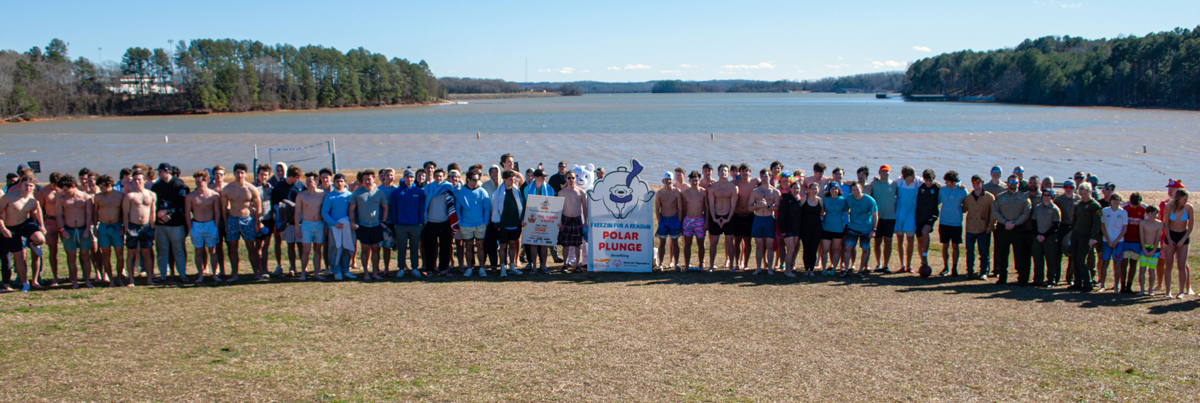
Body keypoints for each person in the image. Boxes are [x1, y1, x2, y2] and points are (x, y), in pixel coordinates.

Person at [0, 174, 47, 292]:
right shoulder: (9, 197)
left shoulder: (32, 200)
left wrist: (42, 226)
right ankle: (25, 283)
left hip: (25, 225)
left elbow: (37, 212)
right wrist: (3, 228)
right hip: (11, 228)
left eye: (31, 186)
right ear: (20, 185)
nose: (28, 188)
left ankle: (33, 244)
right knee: (19, 256)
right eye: (26, 185)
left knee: (40, 239)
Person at [220, 163, 262, 282]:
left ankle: (256, 272)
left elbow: (258, 207)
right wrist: (226, 223)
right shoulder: (228, 189)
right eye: (237, 172)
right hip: (232, 219)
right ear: (234, 173)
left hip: (247, 219)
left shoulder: (251, 189)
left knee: (251, 247)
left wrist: (256, 222)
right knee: (232, 248)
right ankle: (234, 274)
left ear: (245, 174)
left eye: (242, 173)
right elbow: (223, 208)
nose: (240, 175)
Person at [151, 163, 189, 282]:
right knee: (162, 249)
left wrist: (168, 213)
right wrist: (159, 215)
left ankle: (182, 274)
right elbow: (154, 203)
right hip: (161, 224)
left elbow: (181, 203)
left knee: (178, 249)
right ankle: (163, 274)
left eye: (161, 171)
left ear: (168, 171)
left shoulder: (179, 184)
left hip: (176, 223)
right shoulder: (156, 186)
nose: (159, 174)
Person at [55, 175, 93, 288]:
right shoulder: (62, 199)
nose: (64, 192)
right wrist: (62, 230)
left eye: (66, 189)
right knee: (71, 256)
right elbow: (59, 215)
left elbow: (89, 214)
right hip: (69, 229)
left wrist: (87, 229)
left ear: (72, 186)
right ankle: (74, 281)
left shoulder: (86, 197)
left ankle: (87, 280)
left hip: (83, 229)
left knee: (85, 255)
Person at [991, 174, 1031, 285]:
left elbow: (1026, 212)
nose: (1013, 184)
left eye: (1015, 182)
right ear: (1007, 183)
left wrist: (1015, 223)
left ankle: (1021, 278)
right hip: (1003, 228)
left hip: (1017, 229)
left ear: (1018, 184)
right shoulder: (1000, 197)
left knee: (1019, 254)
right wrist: (1005, 222)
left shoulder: (1023, 197)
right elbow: (994, 211)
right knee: (1002, 253)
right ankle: (1002, 277)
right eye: (1011, 182)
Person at [349, 169, 389, 280]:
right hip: (362, 226)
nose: (367, 181)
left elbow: (385, 207)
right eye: (365, 179)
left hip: (376, 225)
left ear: (374, 179)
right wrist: (353, 222)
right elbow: (351, 209)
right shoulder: (357, 193)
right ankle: (366, 272)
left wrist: (383, 221)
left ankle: (375, 271)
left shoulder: (379, 193)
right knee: (365, 249)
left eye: (369, 179)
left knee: (375, 249)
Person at [185, 170, 222, 283]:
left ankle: (215, 274)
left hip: (210, 224)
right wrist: (190, 227)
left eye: (200, 181)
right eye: (196, 181)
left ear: (206, 181)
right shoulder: (191, 196)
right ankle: (200, 274)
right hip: (197, 224)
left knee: (212, 250)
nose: (198, 184)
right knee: (198, 251)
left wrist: (215, 226)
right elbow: (187, 212)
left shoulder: (213, 195)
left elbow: (217, 211)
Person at [387, 169, 425, 277]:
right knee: (402, 248)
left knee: (414, 247)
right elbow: (393, 209)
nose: (410, 179)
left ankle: (414, 268)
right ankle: (401, 268)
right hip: (401, 225)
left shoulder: (419, 191)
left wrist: (420, 222)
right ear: (404, 178)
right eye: (408, 177)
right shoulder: (397, 192)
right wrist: (395, 223)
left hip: (415, 225)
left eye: (412, 177)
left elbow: (421, 208)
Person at [122, 169, 157, 286]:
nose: (137, 182)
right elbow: (125, 213)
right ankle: (131, 279)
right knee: (131, 253)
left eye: (139, 180)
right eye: (135, 180)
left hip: (146, 226)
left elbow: (153, 212)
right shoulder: (129, 196)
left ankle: (149, 277)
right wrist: (126, 227)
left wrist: (153, 226)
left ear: (144, 180)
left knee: (146, 252)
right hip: (133, 226)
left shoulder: (151, 194)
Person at [1068, 183, 1103, 292]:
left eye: (1085, 193)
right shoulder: (1079, 205)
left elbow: (1097, 223)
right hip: (1076, 235)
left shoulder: (1095, 206)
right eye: (1081, 194)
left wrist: (1093, 237)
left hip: (1086, 237)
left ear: (1090, 192)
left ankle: (1087, 283)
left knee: (1081, 260)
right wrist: (1071, 233)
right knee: (1075, 259)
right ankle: (1077, 283)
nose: (1083, 196)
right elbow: (1075, 219)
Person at [271, 165, 305, 277]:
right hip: (287, 221)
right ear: (290, 176)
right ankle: (292, 267)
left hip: (299, 220)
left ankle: (303, 268)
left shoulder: (300, 186)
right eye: (296, 177)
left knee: (301, 245)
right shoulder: (279, 187)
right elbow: (274, 204)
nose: (298, 180)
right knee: (290, 245)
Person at [454, 169, 489, 276]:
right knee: (468, 246)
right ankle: (469, 268)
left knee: (480, 246)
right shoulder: (461, 192)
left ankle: (481, 268)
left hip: (480, 224)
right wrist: (460, 223)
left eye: (477, 179)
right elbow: (458, 209)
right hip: (466, 225)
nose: (476, 182)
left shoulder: (482, 191)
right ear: (468, 180)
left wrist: (485, 222)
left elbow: (486, 208)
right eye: (474, 180)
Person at [321, 174, 355, 280]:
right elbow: (324, 213)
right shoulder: (330, 197)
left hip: (347, 228)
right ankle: (336, 271)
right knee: (334, 249)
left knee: (346, 248)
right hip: (334, 228)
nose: (339, 183)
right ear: (334, 182)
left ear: (345, 182)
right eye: (337, 181)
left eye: (341, 181)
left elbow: (353, 211)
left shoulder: (350, 196)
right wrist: (334, 223)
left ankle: (345, 270)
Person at [422, 169, 456, 276]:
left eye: (440, 176)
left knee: (445, 246)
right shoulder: (428, 188)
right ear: (433, 176)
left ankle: (443, 269)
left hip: (444, 221)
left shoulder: (448, 188)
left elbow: (452, 204)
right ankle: (430, 269)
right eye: (436, 176)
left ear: (444, 177)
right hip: (431, 222)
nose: (438, 178)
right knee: (430, 247)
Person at [294, 172, 327, 280]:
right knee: (306, 250)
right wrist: (297, 228)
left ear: (316, 182)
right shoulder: (301, 195)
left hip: (319, 224)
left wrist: (326, 226)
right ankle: (303, 272)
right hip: (306, 224)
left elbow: (326, 211)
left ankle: (317, 272)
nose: (308, 183)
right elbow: (297, 212)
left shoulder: (323, 194)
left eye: (310, 181)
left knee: (318, 249)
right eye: (307, 181)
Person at [1161, 189, 1194, 298]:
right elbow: (1166, 224)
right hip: (1171, 235)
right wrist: (1169, 239)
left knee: (1182, 265)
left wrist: (1183, 240)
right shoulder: (1168, 207)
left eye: (1187, 199)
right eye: (1184, 199)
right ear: (1178, 198)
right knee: (1169, 264)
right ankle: (1168, 291)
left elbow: (1190, 226)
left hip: (1183, 236)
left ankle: (1181, 291)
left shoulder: (1189, 208)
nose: (1186, 201)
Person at [491, 169, 524, 276]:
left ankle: (512, 266)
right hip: (503, 224)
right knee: (503, 246)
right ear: (504, 179)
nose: (512, 181)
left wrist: (521, 219)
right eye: (510, 179)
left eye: (514, 179)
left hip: (515, 223)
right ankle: (502, 267)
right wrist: (497, 224)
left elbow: (521, 206)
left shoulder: (516, 191)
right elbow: (495, 209)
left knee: (513, 245)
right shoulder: (498, 193)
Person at [93, 175, 124, 287]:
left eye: (102, 187)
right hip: (104, 226)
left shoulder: (120, 196)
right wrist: (96, 226)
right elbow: (95, 212)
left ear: (109, 185)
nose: (101, 190)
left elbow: (124, 212)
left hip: (117, 226)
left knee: (119, 255)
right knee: (106, 254)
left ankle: (119, 278)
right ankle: (110, 279)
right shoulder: (98, 197)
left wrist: (123, 226)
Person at [865, 164, 897, 273]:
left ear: (889, 173)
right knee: (877, 241)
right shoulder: (874, 184)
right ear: (879, 173)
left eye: (886, 171)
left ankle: (885, 265)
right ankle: (878, 264)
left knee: (888, 241)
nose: (884, 173)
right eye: (882, 171)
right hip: (878, 218)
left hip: (890, 218)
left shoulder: (894, 185)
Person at [522, 169, 554, 272]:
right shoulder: (527, 189)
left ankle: (544, 266)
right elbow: (523, 205)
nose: (544, 179)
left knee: (544, 243)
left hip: (545, 219)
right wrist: (523, 219)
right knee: (533, 242)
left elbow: (553, 205)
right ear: (535, 177)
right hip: (532, 219)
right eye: (541, 177)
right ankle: (534, 266)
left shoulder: (549, 189)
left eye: (544, 177)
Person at [843, 181, 878, 278]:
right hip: (853, 227)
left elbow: (875, 215)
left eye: (857, 189)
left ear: (861, 189)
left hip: (866, 229)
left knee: (865, 249)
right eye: (853, 190)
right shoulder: (849, 198)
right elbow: (845, 208)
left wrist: (874, 230)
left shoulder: (869, 200)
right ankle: (845, 270)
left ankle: (861, 270)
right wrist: (851, 213)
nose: (855, 191)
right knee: (847, 248)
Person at [749, 169, 780, 275]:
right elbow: (749, 207)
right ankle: (758, 267)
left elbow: (778, 208)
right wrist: (757, 206)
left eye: (766, 176)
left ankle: (770, 268)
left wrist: (768, 206)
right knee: (758, 245)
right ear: (760, 177)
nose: (764, 178)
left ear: (770, 177)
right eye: (762, 176)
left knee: (770, 244)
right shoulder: (755, 191)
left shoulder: (775, 191)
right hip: (758, 219)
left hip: (768, 219)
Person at [706, 164, 737, 272]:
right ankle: (711, 265)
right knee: (713, 242)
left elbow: (733, 205)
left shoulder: (733, 187)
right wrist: (714, 218)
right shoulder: (713, 187)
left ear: (728, 173)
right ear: (718, 173)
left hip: (729, 217)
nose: (723, 173)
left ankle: (731, 265)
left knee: (729, 242)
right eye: (722, 171)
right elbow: (711, 204)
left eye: (726, 171)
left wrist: (728, 218)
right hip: (716, 216)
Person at [557, 169, 588, 273]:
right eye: (569, 178)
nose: (571, 180)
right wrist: (559, 222)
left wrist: (585, 222)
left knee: (577, 244)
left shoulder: (581, 192)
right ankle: (564, 265)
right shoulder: (561, 193)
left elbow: (585, 208)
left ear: (576, 179)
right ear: (566, 179)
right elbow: (558, 209)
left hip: (577, 219)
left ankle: (577, 266)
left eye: (573, 178)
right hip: (565, 220)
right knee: (565, 244)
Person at [938, 171, 967, 276]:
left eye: (948, 182)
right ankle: (945, 267)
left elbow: (967, 204)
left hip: (956, 223)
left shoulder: (962, 191)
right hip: (944, 222)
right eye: (945, 181)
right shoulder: (943, 190)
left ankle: (954, 267)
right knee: (945, 245)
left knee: (955, 246)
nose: (946, 183)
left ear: (954, 182)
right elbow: (936, 201)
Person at [1097, 193, 1128, 292]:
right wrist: (1109, 240)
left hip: (1119, 242)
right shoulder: (1105, 211)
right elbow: (1102, 226)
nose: (1115, 201)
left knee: (1117, 264)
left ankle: (1116, 285)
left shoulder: (1123, 212)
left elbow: (1124, 229)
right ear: (1110, 201)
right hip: (1107, 241)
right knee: (1104, 263)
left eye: (1118, 199)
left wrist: (1116, 240)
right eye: (1114, 199)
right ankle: (1102, 285)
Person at [1031, 189, 1061, 287]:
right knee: (1037, 259)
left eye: (1048, 195)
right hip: (1038, 237)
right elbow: (1034, 222)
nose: (1046, 197)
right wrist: (1037, 235)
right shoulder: (1038, 208)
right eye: (1044, 195)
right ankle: (1038, 279)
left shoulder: (1055, 209)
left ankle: (1051, 280)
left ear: (1051, 197)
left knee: (1050, 260)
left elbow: (1056, 225)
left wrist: (1045, 235)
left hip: (1049, 237)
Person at [36, 172, 62, 286]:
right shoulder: (44, 191)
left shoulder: (63, 190)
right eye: (53, 184)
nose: (55, 187)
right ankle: (55, 277)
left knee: (70, 250)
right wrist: (42, 224)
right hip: (50, 222)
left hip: (63, 221)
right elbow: (39, 208)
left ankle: (72, 276)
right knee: (52, 250)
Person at [655, 172, 684, 271]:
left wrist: (679, 221)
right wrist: (660, 220)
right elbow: (657, 209)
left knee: (675, 242)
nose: (668, 182)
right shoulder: (659, 193)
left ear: (672, 180)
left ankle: (676, 263)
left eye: (669, 180)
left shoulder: (677, 192)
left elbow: (680, 208)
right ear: (663, 181)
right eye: (666, 180)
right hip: (663, 219)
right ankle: (661, 264)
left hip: (674, 219)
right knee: (662, 242)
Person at [914, 169, 941, 271]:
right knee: (920, 240)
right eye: (927, 180)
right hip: (919, 216)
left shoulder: (937, 187)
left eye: (931, 180)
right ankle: (923, 262)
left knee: (925, 232)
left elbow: (947, 189)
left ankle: (925, 254)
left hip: (931, 215)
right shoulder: (920, 187)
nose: (929, 183)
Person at [1118, 193, 1146, 294]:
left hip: (1136, 241)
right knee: (1123, 263)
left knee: (1133, 263)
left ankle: (1129, 285)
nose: (1135, 207)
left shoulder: (1143, 209)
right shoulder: (1124, 208)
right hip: (1125, 240)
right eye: (1133, 205)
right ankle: (1122, 285)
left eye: (1137, 205)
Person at [893, 166, 919, 273]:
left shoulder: (918, 181)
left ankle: (909, 265)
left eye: (914, 175)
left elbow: (932, 182)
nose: (913, 177)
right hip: (900, 213)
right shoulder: (898, 182)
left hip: (911, 214)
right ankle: (902, 265)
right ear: (905, 176)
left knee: (910, 240)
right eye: (911, 176)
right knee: (900, 240)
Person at [1054, 181, 1080, 285]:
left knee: (1073, 254)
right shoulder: (1059, 199)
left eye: (1070, 187)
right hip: (1061, 228)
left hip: (1073, 229)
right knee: (1057, 254)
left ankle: (1070, 278)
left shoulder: (1078, 200)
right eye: (1066, 187)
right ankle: (1056, 277)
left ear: (1074, 188)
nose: (1068, 189)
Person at [731, 164, 756, 271]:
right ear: (739, 173)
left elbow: (768, 183)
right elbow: (722, 186)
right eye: (742, 171)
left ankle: (745, 264)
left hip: (749, 215)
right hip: (737, 215)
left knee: (747, 240)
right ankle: (737, 263)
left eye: (746, 171)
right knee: (737, 241)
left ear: (750, 172)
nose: (744, 173)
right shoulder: (734, 183)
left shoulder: (755, 182)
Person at [777, 180, 804, 277]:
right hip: (787, 228)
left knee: (793, 249)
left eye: (798, 188)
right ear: (790, 189)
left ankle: (790, 268)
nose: (796, 190)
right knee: (791, 249)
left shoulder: (799, 200)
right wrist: (782, 229)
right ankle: (787, 270)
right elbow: (781, 216)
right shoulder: (786, 199)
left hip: (796, 228)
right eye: (794, 188)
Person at [820, 183, 848, 276]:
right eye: (832, 189)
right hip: (826, 227)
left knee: (836, 249)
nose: (834, 191)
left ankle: (834, 269)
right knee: (825, 249)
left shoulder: (843, 200)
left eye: (836, 189)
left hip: (838, 228)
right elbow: (821, 212)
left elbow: (848, 211)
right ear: (829, 190)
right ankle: (823, 268)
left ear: (839, 190)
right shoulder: (825, 199)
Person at [1137, 206, 1163, 295]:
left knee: (1152, 270)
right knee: (1142, 269)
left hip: (1154, 249)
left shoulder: (1159, 224)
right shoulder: (1142, 223)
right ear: (1147, 214)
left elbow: (1158, 237)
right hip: (1144, 248)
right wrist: (1144, 249)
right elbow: (1142, 236)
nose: (1153, 215)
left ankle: (1150, 289)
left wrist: (1153, 250)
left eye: (1155, 213)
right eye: (1151, 213)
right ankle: (1142, 289)